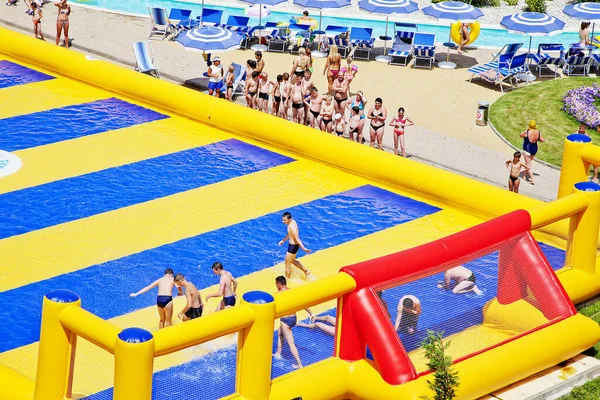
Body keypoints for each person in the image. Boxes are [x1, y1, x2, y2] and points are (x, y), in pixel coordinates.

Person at [273, 276, 315, 369]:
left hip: (285, 321)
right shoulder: (292, 291)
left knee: (291, 343)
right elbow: (303, 303)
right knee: (280, 333)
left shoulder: (277, 295)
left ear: (279, 284)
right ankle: (278, 353)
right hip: (293, 318)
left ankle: (299, 364)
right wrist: (311, 313)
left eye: (276, 284)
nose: (276, 286)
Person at [278, 211, 311, 278]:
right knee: (292, 261)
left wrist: (303, 248)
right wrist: (283, 240)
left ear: (289, 219)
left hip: (293, 247)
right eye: (282, 220)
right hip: (294, 246)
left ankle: (287, 280)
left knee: (287, 264)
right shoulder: (293, 222)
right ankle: (306, 271)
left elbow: (297, 238)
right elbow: (290, 234)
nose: (283, 222)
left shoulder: (292, 227)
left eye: (285, 220)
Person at [519, 120, 545, 185]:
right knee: (528, 163)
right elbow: (543, 140)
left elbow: (520, 135)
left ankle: (532, 179)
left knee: (528, 165)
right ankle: (524, 176)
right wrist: (537, 138)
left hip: (527, 149)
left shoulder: (527, 132)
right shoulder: (538, 132)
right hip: (534, 149)